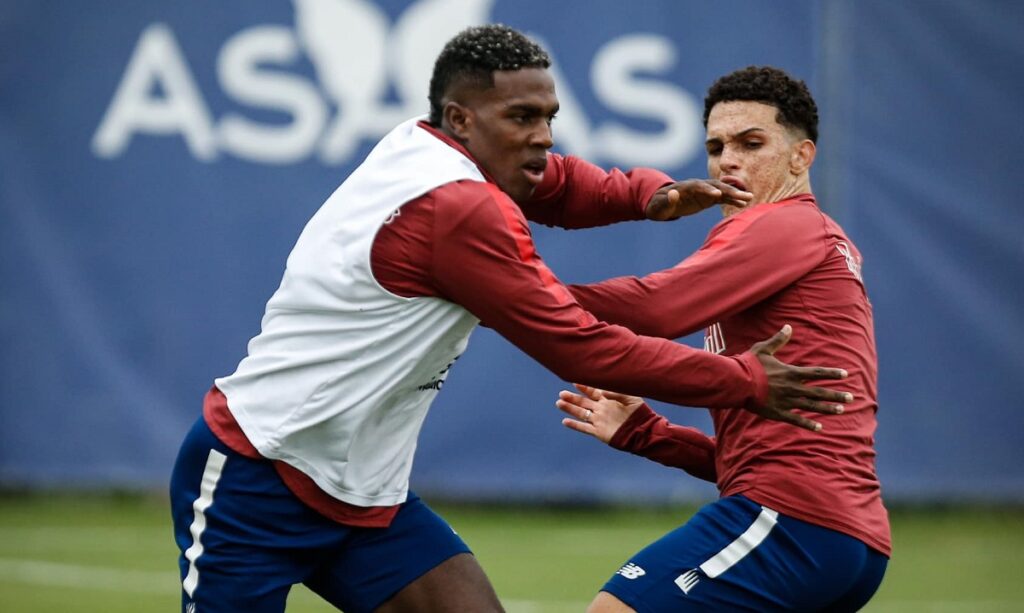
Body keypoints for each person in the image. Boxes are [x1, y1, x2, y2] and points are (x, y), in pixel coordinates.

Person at [169, 26, 852, 612]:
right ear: (462, 118)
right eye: (522, 118)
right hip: (256, 473)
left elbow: (561, 183)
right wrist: (744, 381)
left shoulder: (426, 143)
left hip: (363, 495)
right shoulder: (458, 206)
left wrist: (655, 195)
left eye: (548, 116)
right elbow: (585, 349)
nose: (543, 136)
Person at [556, 66, 890, 612]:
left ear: (801, 157)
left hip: (791, 524)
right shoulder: (809, 246)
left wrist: (510, 293)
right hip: (836, 536)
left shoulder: (786, 225)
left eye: (751, 143)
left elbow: (656, 307)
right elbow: (770, 454)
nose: (727, 160)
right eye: (715, 147)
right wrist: (649, 435)